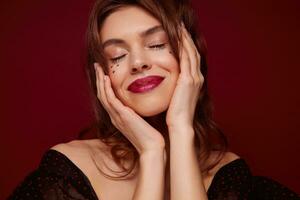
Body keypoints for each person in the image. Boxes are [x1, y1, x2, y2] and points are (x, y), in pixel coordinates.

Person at [8, 0, 299, 199]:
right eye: (117, 56)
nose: (137, 62)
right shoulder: (66, 174)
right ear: (102, 76)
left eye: (157, 44)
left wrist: (181, 131)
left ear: (191, 54)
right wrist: (150, 152)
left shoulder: (232, 179)